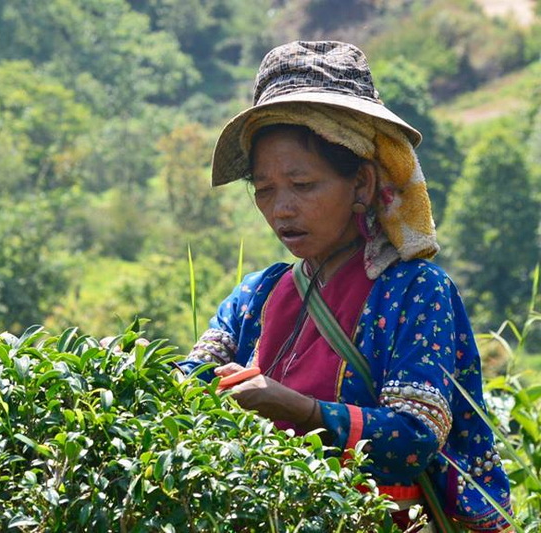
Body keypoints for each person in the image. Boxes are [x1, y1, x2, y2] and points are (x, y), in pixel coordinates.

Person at [181, 41, 512, 531]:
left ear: (360, 183)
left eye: (303, 184)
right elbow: (188, 384)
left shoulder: (414, 292)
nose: (281, 209)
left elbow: (414, 440)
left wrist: (298, 408)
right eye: (265, 189)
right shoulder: (258, 294)